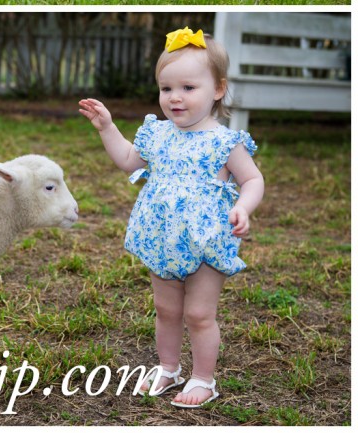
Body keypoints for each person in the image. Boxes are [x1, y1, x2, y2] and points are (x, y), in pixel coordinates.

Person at [78, 27, 264, 408]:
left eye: (188, 88)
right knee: (166, 310)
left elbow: (253, 179)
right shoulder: (157, 134)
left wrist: (243, 207)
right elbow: (129, 160)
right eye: (166, 88)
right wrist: (108, 128)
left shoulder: (225, 141)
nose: (175, 97)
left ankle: (203, 379)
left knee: (198, 314)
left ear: (217, 89)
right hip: (160, 238)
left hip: (206, 240)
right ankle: (168, 367)